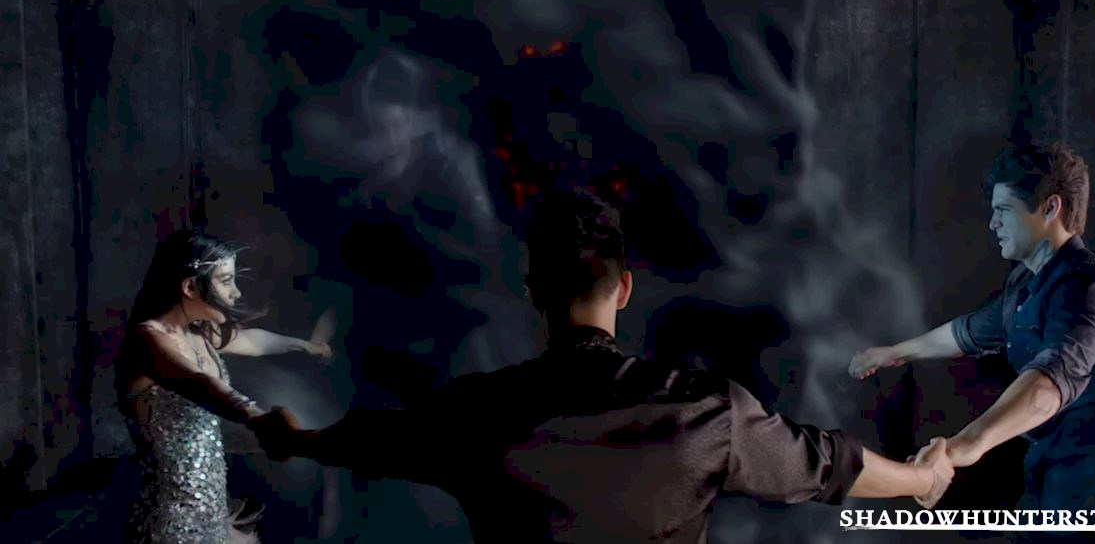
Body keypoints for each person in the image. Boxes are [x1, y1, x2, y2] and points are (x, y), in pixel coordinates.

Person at [251, 188, 954, 543]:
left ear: (533, 294)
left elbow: (367, 439)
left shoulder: (470, 414)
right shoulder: (705, 413)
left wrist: (296, 439)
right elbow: (830, 465)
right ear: (624, 289)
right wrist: (924, 481)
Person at [849, 143, 1095, 543]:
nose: (993, 223)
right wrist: (892, 353)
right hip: (1046, 507)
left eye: (1003, 210)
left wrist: (959, 449)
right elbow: (966, 332)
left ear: (1050, 208)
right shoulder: (1027, 285)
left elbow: (1049, 387)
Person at [114, 229, 334, 543]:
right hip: (170, 520)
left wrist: (305, 346)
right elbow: (199, 383)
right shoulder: (148, 340)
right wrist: (255, 416)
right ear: (190, 287)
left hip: (211, 507)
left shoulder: (200, 332)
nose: (237, 293)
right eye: (227, 281)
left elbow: (253, 341)